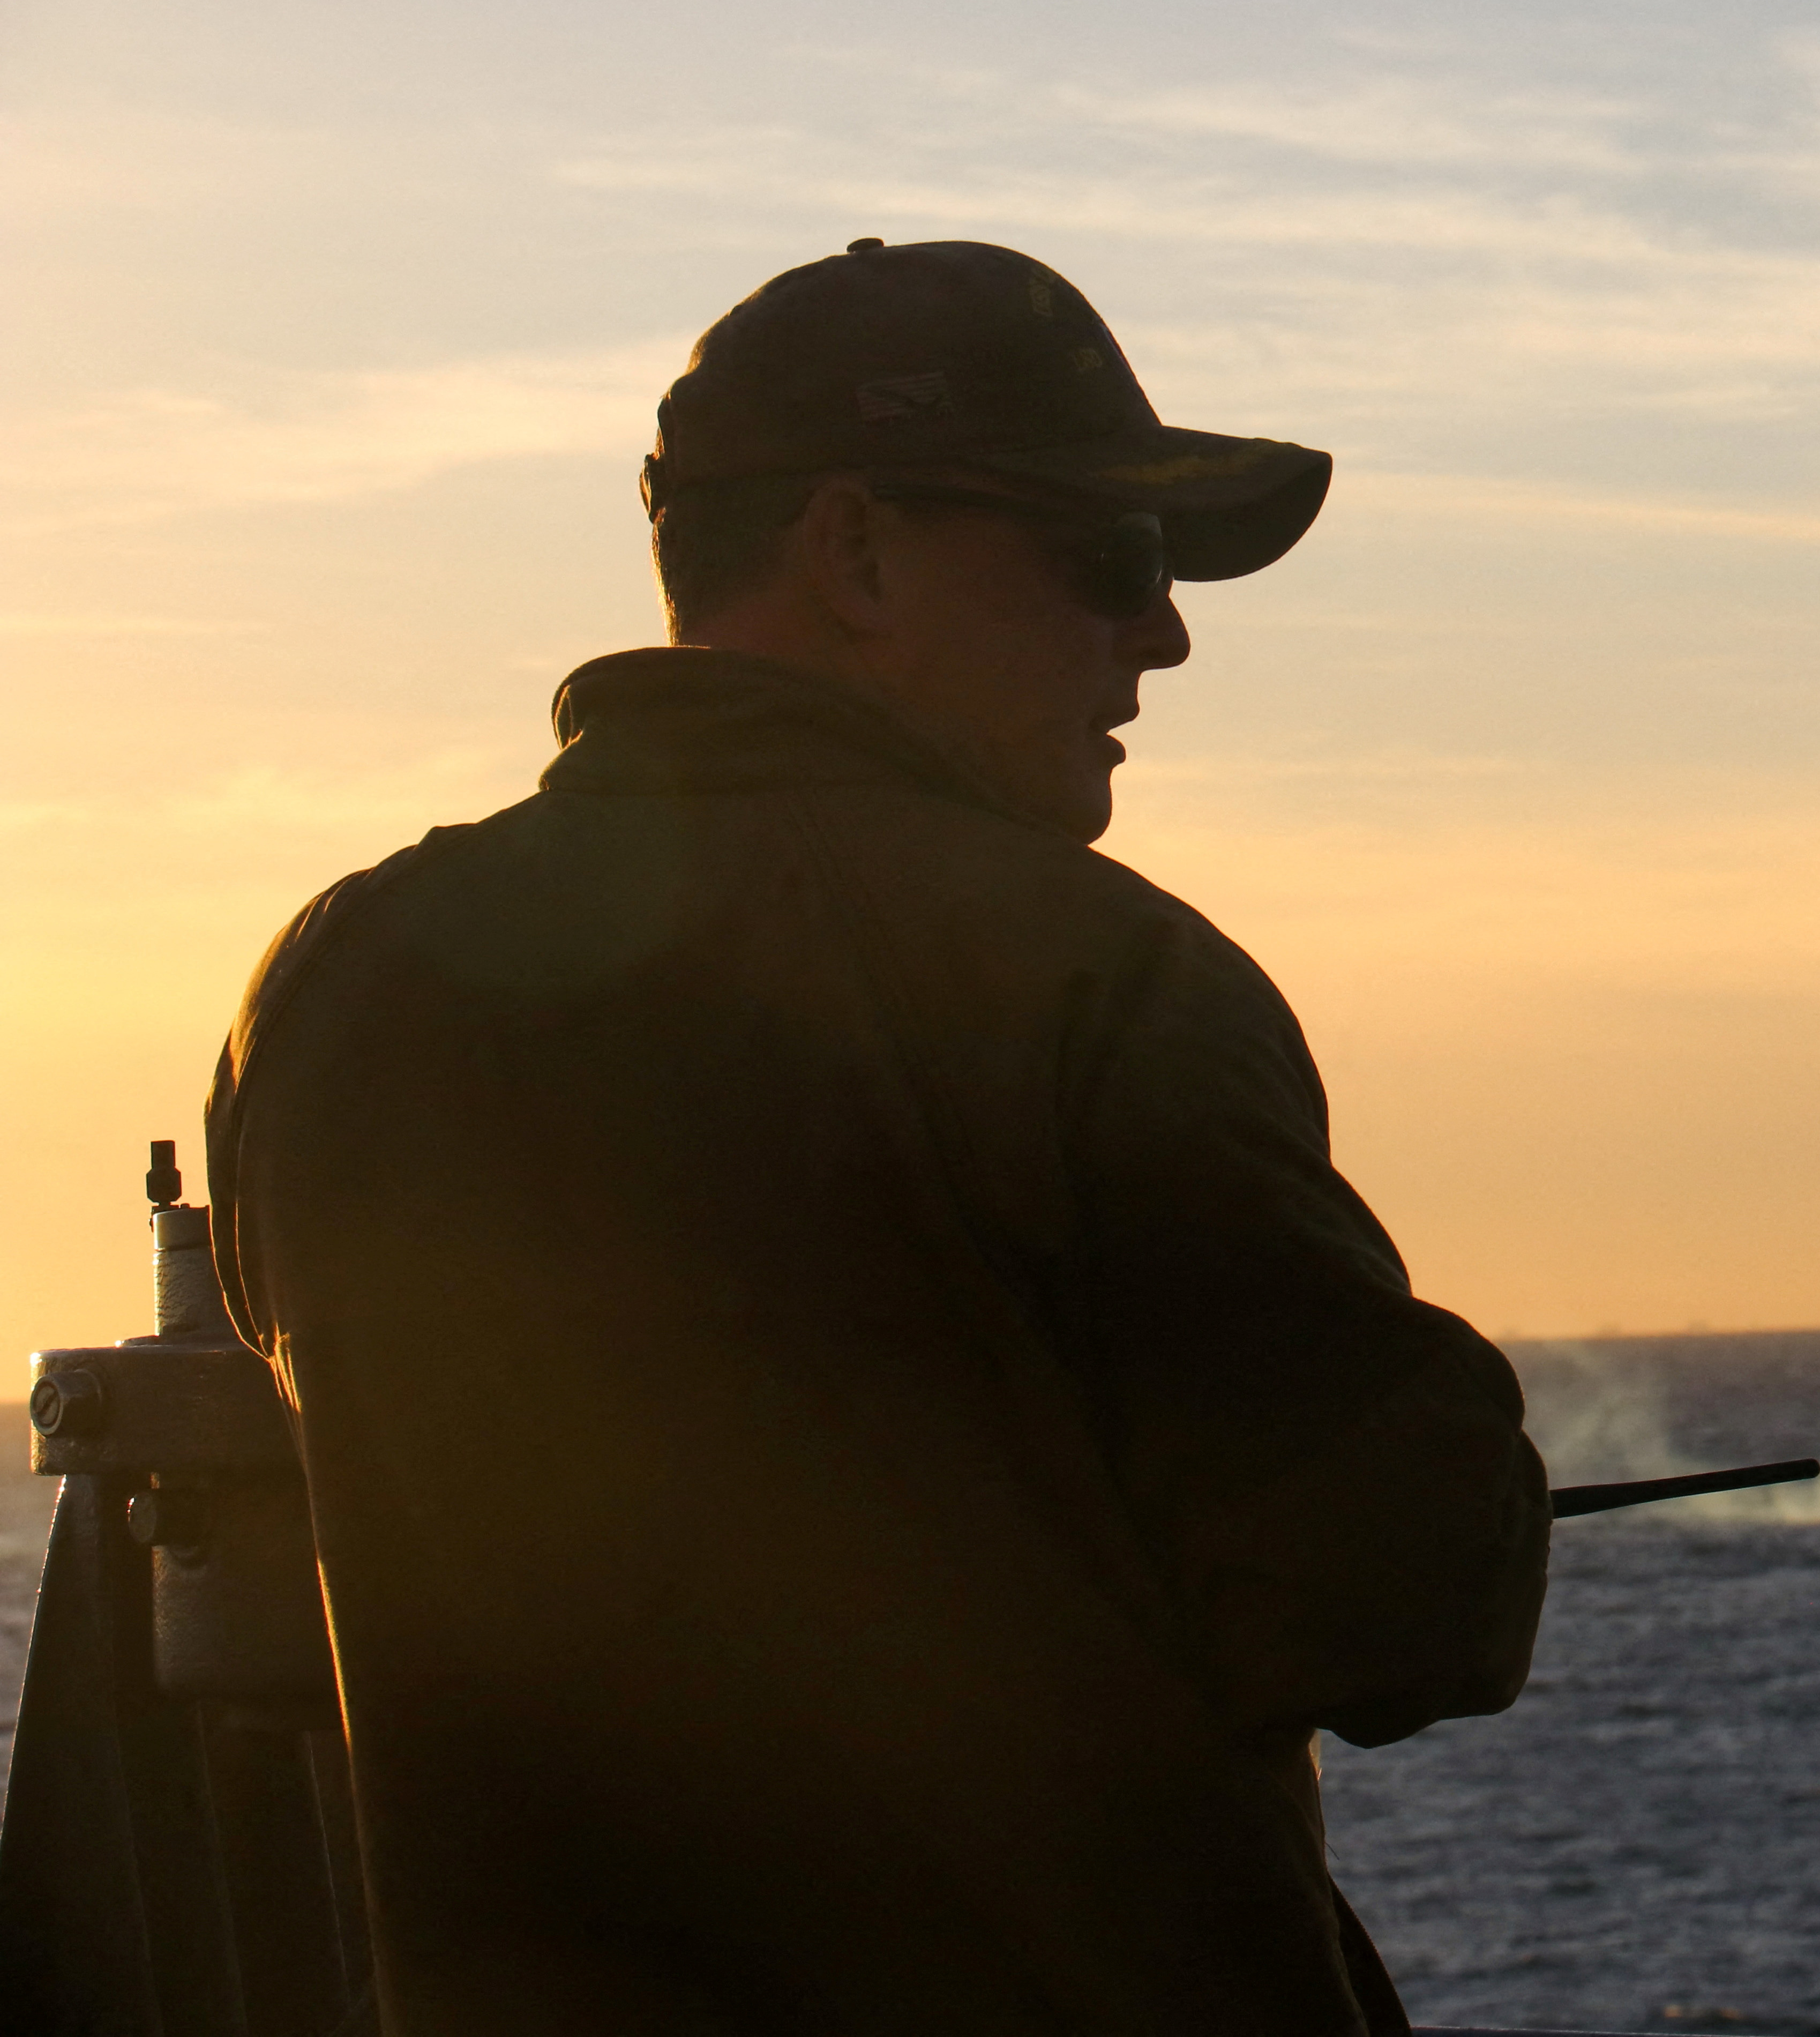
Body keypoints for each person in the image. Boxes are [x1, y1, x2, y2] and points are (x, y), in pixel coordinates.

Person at [204, 239, 1551, 2036]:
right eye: (1108, 556)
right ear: (855, 550)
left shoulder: (331, 990)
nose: (1161, 631)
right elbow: (1401, 1615)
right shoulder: (1099, 981)